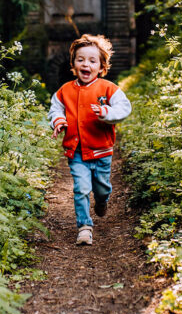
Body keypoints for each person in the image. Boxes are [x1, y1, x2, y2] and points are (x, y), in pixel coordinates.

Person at [48, 34, 132, 245]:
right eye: (81, 59)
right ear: (73, 64)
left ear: (101, 66)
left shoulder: (108, 89)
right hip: (76, 151)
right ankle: (84, 227)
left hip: (101, 150)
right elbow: (55, 109)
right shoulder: (64, 91)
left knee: (101, 188)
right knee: (81, 188)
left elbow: (124, 108)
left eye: (92, 61)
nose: (86, 64)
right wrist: (58, 121)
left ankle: (102, 201)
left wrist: (106, 112)